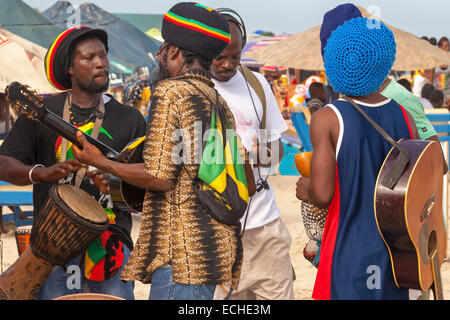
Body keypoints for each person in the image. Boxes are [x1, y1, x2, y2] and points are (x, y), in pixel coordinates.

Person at [72, 2, 255, 300]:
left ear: (174, 52)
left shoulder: (172, 92)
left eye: (163, 48)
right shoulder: (215, 100)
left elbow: (160, 176)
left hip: (181, 255)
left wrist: (102, 163)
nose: (160, 56)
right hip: (210, 253)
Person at [0, 26, 147, 300]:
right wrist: (39, 173)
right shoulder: (43, 113)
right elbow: (4, 163)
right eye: (88, 58)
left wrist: (115, 185)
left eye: (103, 56)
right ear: (69, 68)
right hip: (52, 244)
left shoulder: (131, 119)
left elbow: (146, 184)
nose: (100, 63)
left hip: (111, 242)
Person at [296, 13, 430, 299]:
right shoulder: (403, 115)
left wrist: (305, 188)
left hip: (347, 248)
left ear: (332, 65)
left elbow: (322, 193)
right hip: (395, 253)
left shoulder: (328, 118)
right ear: (384, 68)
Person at [210, 9, 294, 300]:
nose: (227, 64)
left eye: (235, 56)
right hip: (213, 231)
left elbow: (278, 148)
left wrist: (261, 155)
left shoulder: (258, 84)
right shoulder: (190, 90)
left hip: (265, 225)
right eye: (219, 56)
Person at [434, 37, 450, 108]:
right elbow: (431, 81)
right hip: (438, 97)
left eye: (449, 46)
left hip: (448, 96)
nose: (448, 48)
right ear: (440, 48)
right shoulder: (434, 62)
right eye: (446, 46)